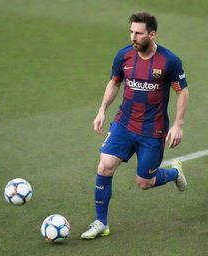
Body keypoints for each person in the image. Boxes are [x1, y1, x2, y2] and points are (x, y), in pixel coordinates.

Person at [81, 11, 189, 239]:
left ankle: (174, 172)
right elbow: (114, 83)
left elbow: (183, 92)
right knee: (105, 166)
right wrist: (101, 110)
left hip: (153, 131)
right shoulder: (124, 56)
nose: (133, 37)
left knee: (145, 182)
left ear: (151, 34)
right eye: (131, 31)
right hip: (124, 123)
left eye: (138, 33)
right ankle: (101, 222)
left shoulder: (169, 61)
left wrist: (178, 124)